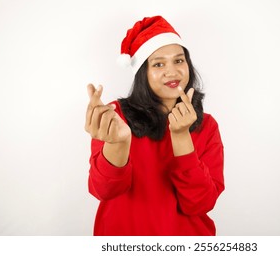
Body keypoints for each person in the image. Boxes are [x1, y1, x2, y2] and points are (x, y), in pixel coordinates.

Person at [84, 16, 224, 236]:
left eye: (179, 61)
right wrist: (117, 143)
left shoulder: (207, 125)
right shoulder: (115, 116)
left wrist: (181, 136)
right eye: (158, 64)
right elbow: (104, 191)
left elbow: (200, 204)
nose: (172, 72)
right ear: (142, 73)